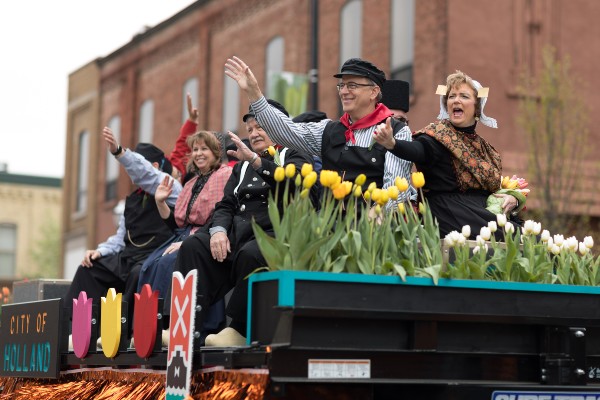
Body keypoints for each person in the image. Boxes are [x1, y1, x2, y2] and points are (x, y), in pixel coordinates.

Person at [173, 99, 317, 347]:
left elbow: (296, 187)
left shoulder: (294, 155)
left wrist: (256, 161)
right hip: (237, 233)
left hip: (274, 233)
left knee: (252, 253)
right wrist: (218, 231)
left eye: (260, 127)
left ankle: (239, 330)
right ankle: (184, 325)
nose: (254, 134)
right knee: (193, 246)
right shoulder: (240, 168)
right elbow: (226, 205)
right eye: (250, 130)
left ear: (278, 126)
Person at [224, 56, 415, 207]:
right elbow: (285, 132)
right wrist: (255, 93)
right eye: (342, 85)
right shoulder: (327, 129)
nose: (343, 91)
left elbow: (397, 190)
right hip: (331, 233)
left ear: (373, 92)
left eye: (353, 85)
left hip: (375, 236)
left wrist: (373, 218)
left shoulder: (397, 131)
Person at [64, 127, 182, 339]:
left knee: (139, 273)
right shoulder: (132, 199)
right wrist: (100, 251)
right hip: (128, 256)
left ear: (153, 166)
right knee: (89, 268)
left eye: (137, 165)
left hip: (154, 255)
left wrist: (119, 151)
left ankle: (120, 333)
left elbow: (143, 172)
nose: (132, 172)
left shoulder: (171, 187)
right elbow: (120, 238)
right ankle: (81, 331)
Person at [373, 70, 518, 238]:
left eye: (464, 96)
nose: (456, 100)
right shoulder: (436, 136)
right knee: (519, 238)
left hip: (481, 212)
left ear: (477, 106)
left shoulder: (486, 148)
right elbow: (418, 150)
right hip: (451, 214)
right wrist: (393, 144)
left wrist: (514, 198)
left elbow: (496, 187)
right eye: (451, 96)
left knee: (531, 239)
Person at [137, 130, 232, 341]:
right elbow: (175, 224)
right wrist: (160, 202)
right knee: (146, 266)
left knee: (166, 263)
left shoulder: (224, 175)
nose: (198, 153)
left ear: (216, 152)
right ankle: (148, 326)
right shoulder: (191, 183)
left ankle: (172, 325)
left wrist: (187, 241)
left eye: (204, 149)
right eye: (195, 149)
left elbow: (219, 216)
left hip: (206, 235)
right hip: (183, 235)